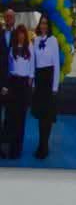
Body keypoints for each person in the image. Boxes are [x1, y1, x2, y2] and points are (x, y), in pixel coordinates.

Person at [30, 14, 60, 160]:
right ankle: (41, 144)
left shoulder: (53, 40)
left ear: (49, 26)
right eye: (42, 23)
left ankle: (44, 146)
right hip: (39, 79)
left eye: (46, 23)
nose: (43, 26)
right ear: (39, 25)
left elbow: (57, 64)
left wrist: (55, 87)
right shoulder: (35, 40)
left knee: (47, 116)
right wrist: (33, 83)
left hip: (49, 78)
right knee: (40, 115)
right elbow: (33, 63)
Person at [2, 25, 32, 160]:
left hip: (24, 85)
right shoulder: (11, 49)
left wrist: (31, 81)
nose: (21, 36)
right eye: (19, 33)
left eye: (23, 33)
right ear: (16, 35)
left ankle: (17, 149)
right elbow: (8, 68)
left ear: (25, 35)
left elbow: (32, 67)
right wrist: (6, 86)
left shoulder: (30, 47)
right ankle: (9, 147)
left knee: (21, 118)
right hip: (13, 84)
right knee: (11, 117)